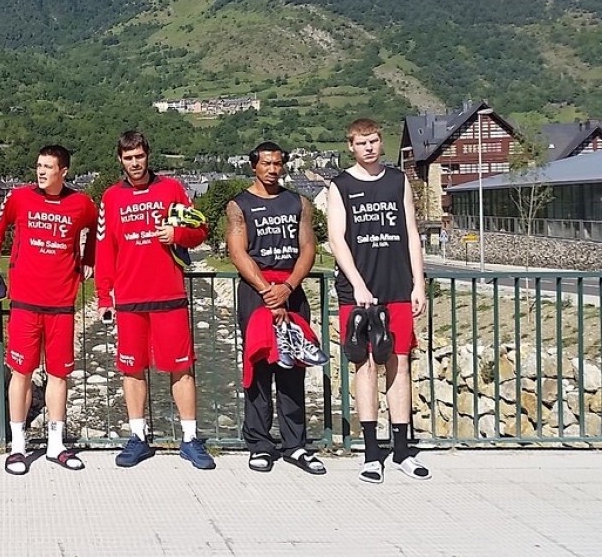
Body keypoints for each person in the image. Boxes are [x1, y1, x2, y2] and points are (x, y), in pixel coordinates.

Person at [95, 131, 212, 469]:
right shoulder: (111, 197)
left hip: (168, 294)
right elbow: (104, 249)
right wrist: (104, 295)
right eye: (128, 158)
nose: (135, 163)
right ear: (120, 160)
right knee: (132, 369)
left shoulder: (171, 189)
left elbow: (200, 229)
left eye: (139, 156)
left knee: (181, 368)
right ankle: (138, 438)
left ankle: (190, 439)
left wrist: (178, 234)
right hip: (129, 297)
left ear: (148, 156)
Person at [0, 145, 97, 475]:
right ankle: (18, 446)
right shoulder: (19, 197)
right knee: (22, 373)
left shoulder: (81, 203)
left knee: (59, 374)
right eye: (38, 166)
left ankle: (55, 445)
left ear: (64, 171)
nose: (41, 171)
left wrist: (89, 259)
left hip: (61, 303)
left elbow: (98, 229)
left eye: (48, 167)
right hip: (25, 302)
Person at [327, 118, 429, 483]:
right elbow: (336, 239)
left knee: (399, 363)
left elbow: (412, 233)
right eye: (361, 142)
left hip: (397, 285)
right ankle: (371, 453)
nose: (368, 147)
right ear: (350, 146)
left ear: (380, 142)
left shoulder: (398, 180)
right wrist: (357, 284)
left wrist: (419, 284)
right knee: (365, 365)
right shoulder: (340, 185)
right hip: (357, 291)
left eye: (373, 141)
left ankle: (401, 450)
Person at [226, 141, 325, 474]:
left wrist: (288, 287)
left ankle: (296, 445)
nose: (272, 169)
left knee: (293, 367)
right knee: (258, 368)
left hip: (290, 288)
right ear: (254, 165)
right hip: (257, 291)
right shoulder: (238, 205)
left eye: (278, 163)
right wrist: (268, 291)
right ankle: (259, 443)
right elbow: (237, 252)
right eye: (266, 163)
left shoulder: (299, 202)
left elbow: (308, 247)